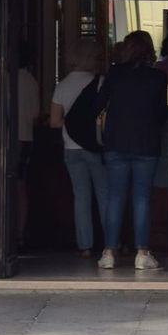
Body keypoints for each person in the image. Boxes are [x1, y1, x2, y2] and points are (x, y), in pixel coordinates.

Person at [97, 31, 168, 271]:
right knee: (141, 199)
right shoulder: (158, 78)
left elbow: (97, 105)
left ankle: (108, 253)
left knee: (115, 197)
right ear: (149, 49)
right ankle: (142, 253)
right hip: (146, 144)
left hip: (116, 143)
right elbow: (162, 114)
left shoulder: (115, 74)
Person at [49, 38, 106, 258]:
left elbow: (54, 122)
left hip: (71, 149)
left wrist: (72, 124)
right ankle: (109, 243)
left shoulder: (61, 85)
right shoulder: (100, 83)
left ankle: (85, 246)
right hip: (95, 146)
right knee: (104, 193)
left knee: (80, 196)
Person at [15, 44, 39, 248]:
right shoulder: (30, 81)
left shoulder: (5, 78)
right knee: (21, 186)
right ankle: (20, 234)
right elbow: (35, 114)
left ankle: (9, 233)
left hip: (10, 139)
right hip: (26, 138)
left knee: (6, 186)